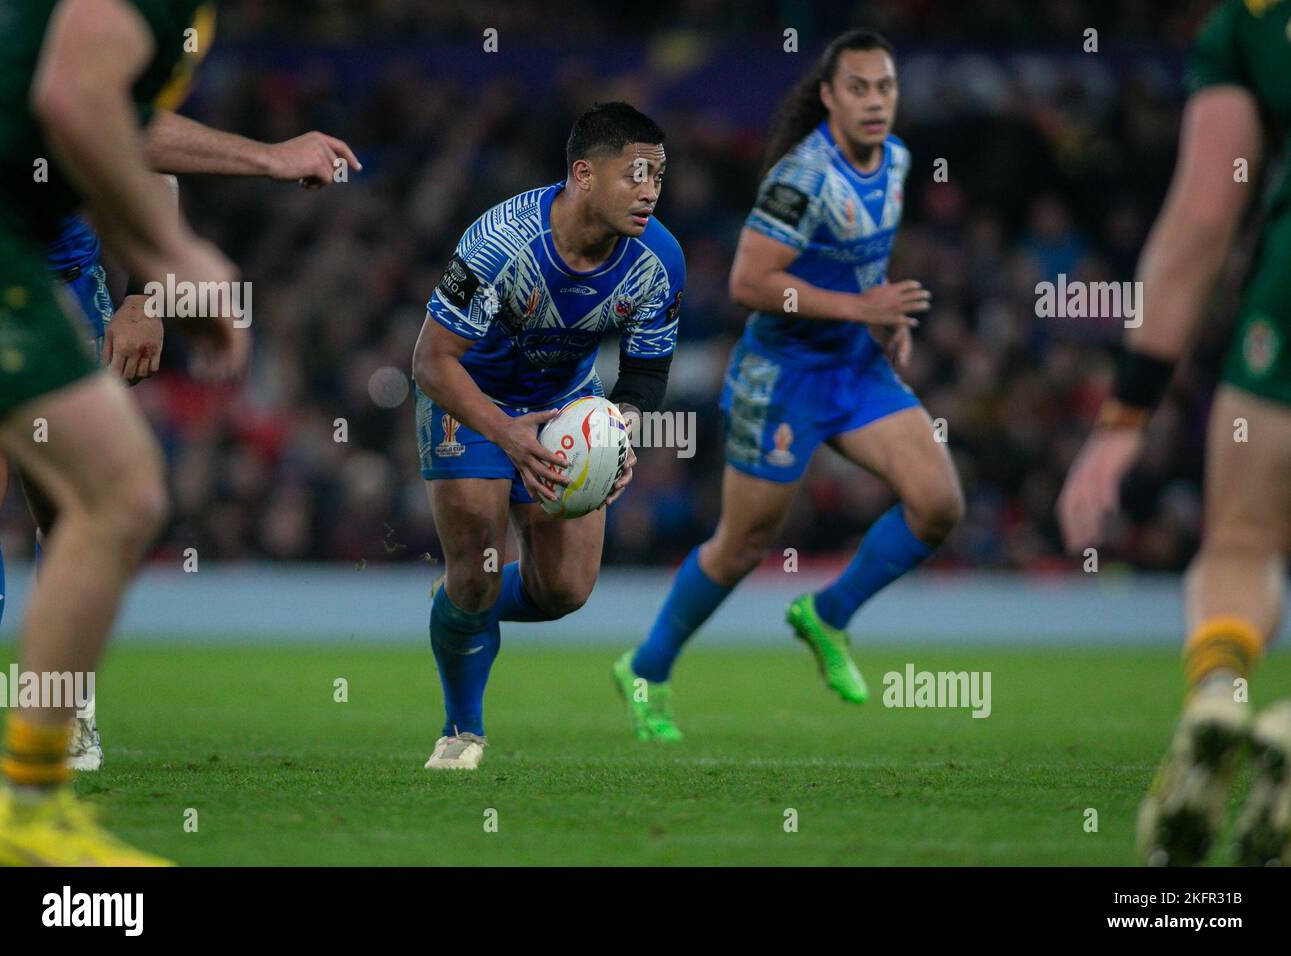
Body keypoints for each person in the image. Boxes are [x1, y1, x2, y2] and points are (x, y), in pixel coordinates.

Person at [614, 30, 963, 742]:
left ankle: (827, 614)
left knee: (938, 504)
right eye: (859, 88)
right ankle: (646, 667)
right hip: (781, 378)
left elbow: (863, 256)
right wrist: (857, 308)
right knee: (742, 546)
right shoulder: (802, 178)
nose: (874, 101)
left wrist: (882, 319)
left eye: (885, 87)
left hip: (855, 369)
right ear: (830, 97)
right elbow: (749, 284)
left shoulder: (894, 160)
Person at [0, 0, 245, 866]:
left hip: (24, 248)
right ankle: (29, 802)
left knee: (114, 493)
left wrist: (150, 276)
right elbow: (74, 96)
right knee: (116, 492)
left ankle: (32, 795)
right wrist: (175, 261)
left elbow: (116, 121)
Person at [1058, 0, 1291, 867]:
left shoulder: (1247, 21)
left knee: (1242, 539)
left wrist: (1124, 418)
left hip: (1287, 280)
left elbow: (1201, 218)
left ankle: (1219, 695)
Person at [412, 102, 685, 769]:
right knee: (479, 559)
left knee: (564, 590)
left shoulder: (660, 260)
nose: (651, 190)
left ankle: (457, 603)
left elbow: (645, 376)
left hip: (565, 401)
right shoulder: (499, 243)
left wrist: (621, 437)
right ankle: (461, 731)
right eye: (636, 173)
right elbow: (430, 362)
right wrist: (506, 434)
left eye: (659, 175)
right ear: (585, 176)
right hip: (471, 401)